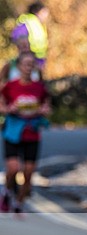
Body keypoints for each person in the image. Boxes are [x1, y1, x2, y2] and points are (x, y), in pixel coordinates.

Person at [0, 51, 50, 217]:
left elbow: (47, 106)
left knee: (28, 173)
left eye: (31, 64)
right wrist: (8, 109)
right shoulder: (10, 86)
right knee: (13, 168)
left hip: (32, 133)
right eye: (25, 64)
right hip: (13, 132)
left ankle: (19, 203)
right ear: (19, 66)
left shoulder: (39, 87)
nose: (28, 67)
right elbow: (2, 105)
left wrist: (44, 110)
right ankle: (7, 192)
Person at [11, 2, 49, 69]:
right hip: (30, 60)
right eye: (44, 12)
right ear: (37, 12)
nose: (46, 15)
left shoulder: (38, 24)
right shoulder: (30, 22)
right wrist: (26, 54)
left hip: (37, 60)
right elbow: (18, 36)